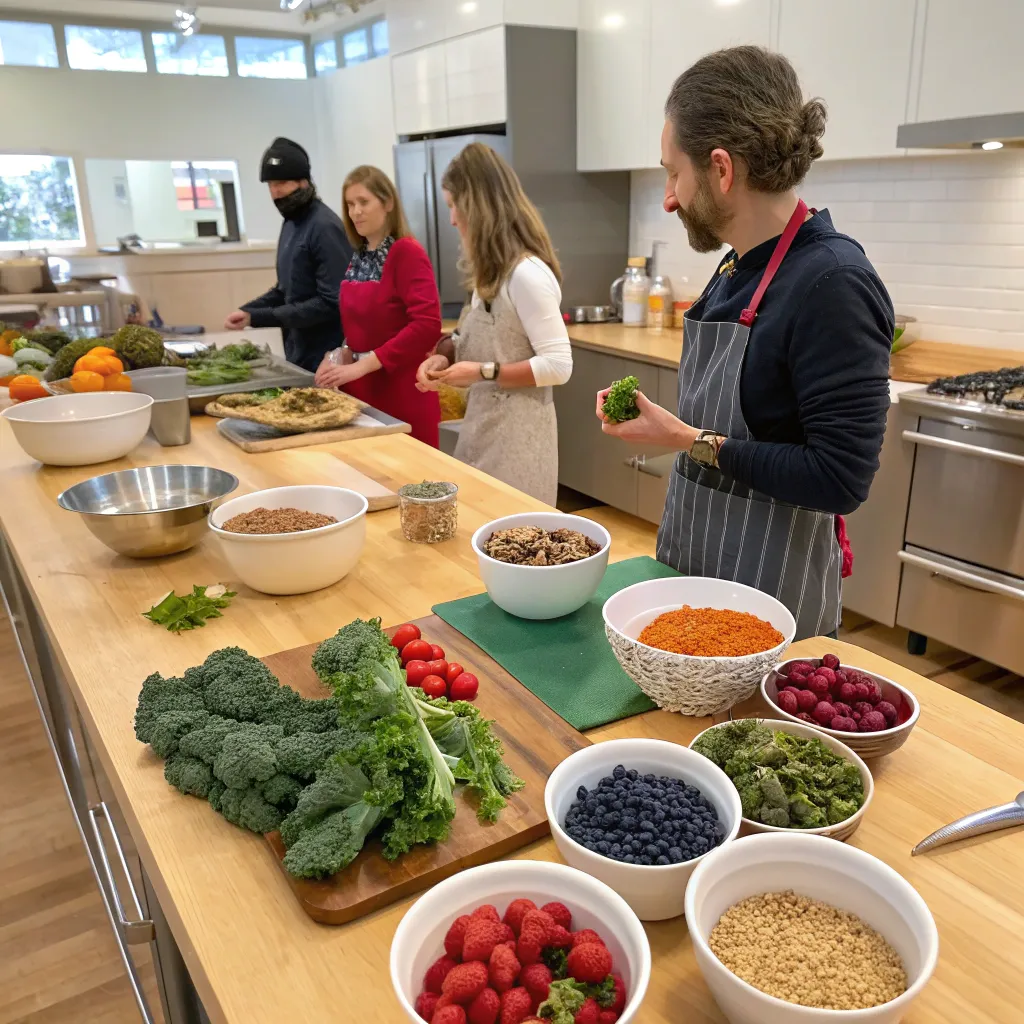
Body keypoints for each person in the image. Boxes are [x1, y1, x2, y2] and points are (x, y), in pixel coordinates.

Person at [596, 47, 892, 640]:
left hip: (770, 608)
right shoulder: (737, 265)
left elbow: (840, 478)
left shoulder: (832, 282)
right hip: (691, 575)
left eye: (673, 173)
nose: (669, 198)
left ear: (722, 169)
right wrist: (669, 431)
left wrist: (687, 440)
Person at [415, 143, 572, 504]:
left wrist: (481, 372)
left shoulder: (526, 275)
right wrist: (445, 355)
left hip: (520, 440)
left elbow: (559, 366)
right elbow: (474, 334)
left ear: (477, 207)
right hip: (483, 428)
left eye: (454, 205)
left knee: (513, 532)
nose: (452, 219)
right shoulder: (492, 274)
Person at [314, 165, 442, 446]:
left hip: (401, 391)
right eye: (350, 204)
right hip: (360, 391)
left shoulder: (406, 252)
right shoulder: (360, 256)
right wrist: (340, 355)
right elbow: (364, 326)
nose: (355, 212)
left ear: (387, 203)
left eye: (363, 202)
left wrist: (365, 364)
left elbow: (427, 325)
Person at [225, 137, 353, 372]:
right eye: (271, 185)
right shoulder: (292, 223)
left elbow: (331, 302)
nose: (276, 192)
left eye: (282, 183)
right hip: (298, 351)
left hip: (327, 358)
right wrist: (248, 311)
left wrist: (260, 317)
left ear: (304, 182)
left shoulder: (324, 227)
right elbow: (285, 290)